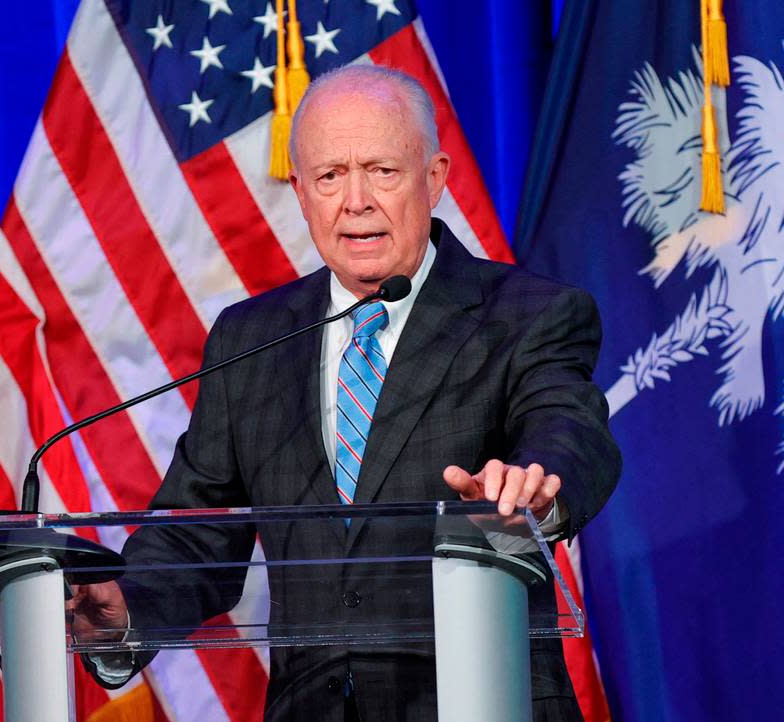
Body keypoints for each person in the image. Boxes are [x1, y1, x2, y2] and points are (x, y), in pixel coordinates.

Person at [69, 64, 622, 721]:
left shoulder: (528, 314)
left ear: (435, 178)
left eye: (382, 170)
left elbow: (570, 427)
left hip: (484, 701)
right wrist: (127, 605)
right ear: (302, 192)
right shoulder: (252, 339)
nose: (355, 200)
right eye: (330, 176)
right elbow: (198, 534)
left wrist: (531, 486)